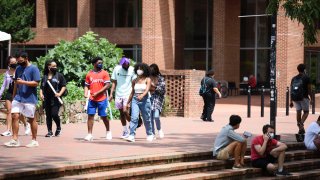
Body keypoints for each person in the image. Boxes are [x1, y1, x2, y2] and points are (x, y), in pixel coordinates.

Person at [4, 51, 41, 148]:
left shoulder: (34, 68)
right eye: (18, 61)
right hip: (18, 97)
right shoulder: (18, 68)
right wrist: (14, 96)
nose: (19, 62)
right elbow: (16, 83)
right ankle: (15, 139)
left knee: (31, 119)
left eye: (20, 60)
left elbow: (36, 83)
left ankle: (34, 140)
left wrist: (24, 82)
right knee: (15, 115)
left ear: (26, 58)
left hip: (29, 98)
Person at [0, 56, 30, 136]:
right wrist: (0, 94)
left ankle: (26, 124)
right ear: (9, 64)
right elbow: (4, 85)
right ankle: (8, 130)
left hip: (18, 92)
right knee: (9, 111)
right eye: (12, 63)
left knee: (18, 112)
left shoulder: (19, 71)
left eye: (15, 62)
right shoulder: (7, 73)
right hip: (10, 92)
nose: (14, 64)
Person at [84, 57, 112, 141]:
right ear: (94, 63)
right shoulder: (89, 74)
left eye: (101, 62)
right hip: (92, 99)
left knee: (104, 116)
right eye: (99, 62)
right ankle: (89, 134)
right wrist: (85, 93)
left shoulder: (105, 73)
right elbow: (86, 85)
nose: (101, 64)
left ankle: (108, 131)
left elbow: (107, 85)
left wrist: (98, 93)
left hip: (102, 99)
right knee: (90, 116)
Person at [125, 63, 154, 142]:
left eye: (141, 69)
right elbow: (132, 92)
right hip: (135, 100)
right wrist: (128, 102)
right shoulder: (134, 80)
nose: (139, 70)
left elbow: (147, 89)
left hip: (145, 100)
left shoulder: (148, 79)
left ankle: (150, 134)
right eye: (138, 69)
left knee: (146, 118)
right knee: (134, 118)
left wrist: (142, 95)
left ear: (144, 70)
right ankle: (131, 135)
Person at [109, 57, 136, 139]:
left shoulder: (132, 69)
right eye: (124, 64)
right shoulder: (117, 69)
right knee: (121, 113)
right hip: (118, 94)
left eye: (127, 64)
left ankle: (133, 125)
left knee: (125, 111)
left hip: (128, 94)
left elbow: (133, 83)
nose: (126, 65)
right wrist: (111, 94)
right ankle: (125, 130)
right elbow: (114, 82)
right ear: (121, 64)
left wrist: (133, 94)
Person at [40, 60, 67, 137]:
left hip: (55, 99)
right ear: (49, 67)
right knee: (48, 115)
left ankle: (58, 127)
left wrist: (59, 94)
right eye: (53, 66)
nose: (55, 67)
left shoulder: (59, 76)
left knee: (54, 114)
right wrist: (41, 94)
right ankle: (49, 131)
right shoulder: (45, 77)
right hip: (47, 99)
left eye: (56, 66)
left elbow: (64, 86)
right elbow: (41, 88)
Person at [290, 64, 313, 135]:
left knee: (298, 112)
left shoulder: (294, 78)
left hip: (295, 98)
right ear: (304, 70)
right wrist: (311, 98)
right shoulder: (307, 78)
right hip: (304, 97)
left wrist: (291, 101)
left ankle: (301, 129)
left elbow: (291, 90)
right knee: (306, 112)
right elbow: (309, 89)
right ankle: (301, 124)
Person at [149, 64, 166, 139]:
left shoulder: (160, 78)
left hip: (158, 99)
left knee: (156, 116)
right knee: (150, 117)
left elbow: (162, 90)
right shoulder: (148, 78)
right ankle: (152, 133)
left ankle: (159, 129)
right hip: (149, 98)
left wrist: (153, 86)